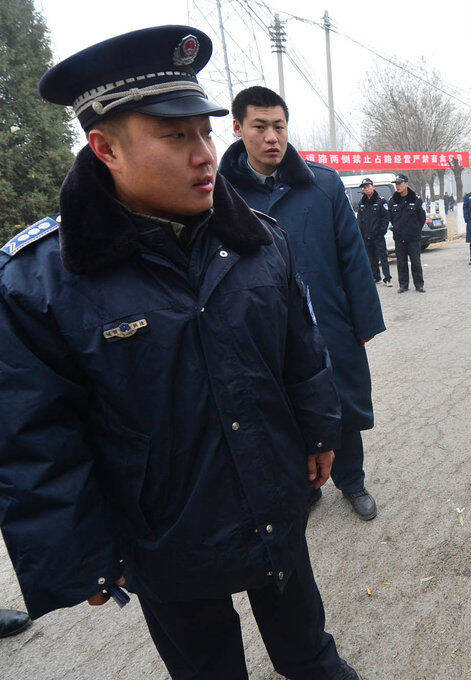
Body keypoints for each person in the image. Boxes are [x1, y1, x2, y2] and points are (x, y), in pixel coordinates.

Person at [0, 27, 362, 679]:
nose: (204, 155)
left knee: (306, 642)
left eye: (205, 132)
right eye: (175, 137)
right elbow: (34, 434)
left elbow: (301, 350)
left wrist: (319, 431)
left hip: (271, 494)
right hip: (164, 532)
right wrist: (77, 552)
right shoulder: (39, 282)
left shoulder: (257, 241)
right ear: (105, 147)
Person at [222, 86, 385, 521]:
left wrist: (364, 322)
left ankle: (352, 481)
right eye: (259, 126)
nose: (271, 136)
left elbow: (353, 257)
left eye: (278, 126)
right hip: (265, 327)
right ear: (237, 128)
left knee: (340, 403)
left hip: (328, 319)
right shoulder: (223, 194)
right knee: (283, 410)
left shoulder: (322, 185)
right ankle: (305, 487)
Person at [387, 173, 427, 293]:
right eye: (396, 184)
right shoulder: (393, 200)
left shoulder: (415, 199)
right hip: (399, 237)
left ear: (406, 184)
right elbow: (391, 217)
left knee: (415, 262)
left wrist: (415, 229)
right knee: (401, 262)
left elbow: (422, 218)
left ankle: (419, 284)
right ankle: (403, 285)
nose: (398, 186)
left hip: (413, 237)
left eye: (400, 184)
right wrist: (397, 229)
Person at [355, 178, 392, 285]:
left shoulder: (380, 201)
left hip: (378, 235)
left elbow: (385, 218)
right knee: (371, 258)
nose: (366, 189)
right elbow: (360, 220)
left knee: (383, 257)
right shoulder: (362, 203)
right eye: (364, 187)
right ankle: (376, 277)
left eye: (368, 186)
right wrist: (361, 234)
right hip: (366, 236)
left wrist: (381, 232)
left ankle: (387, 278)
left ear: (373, 187)